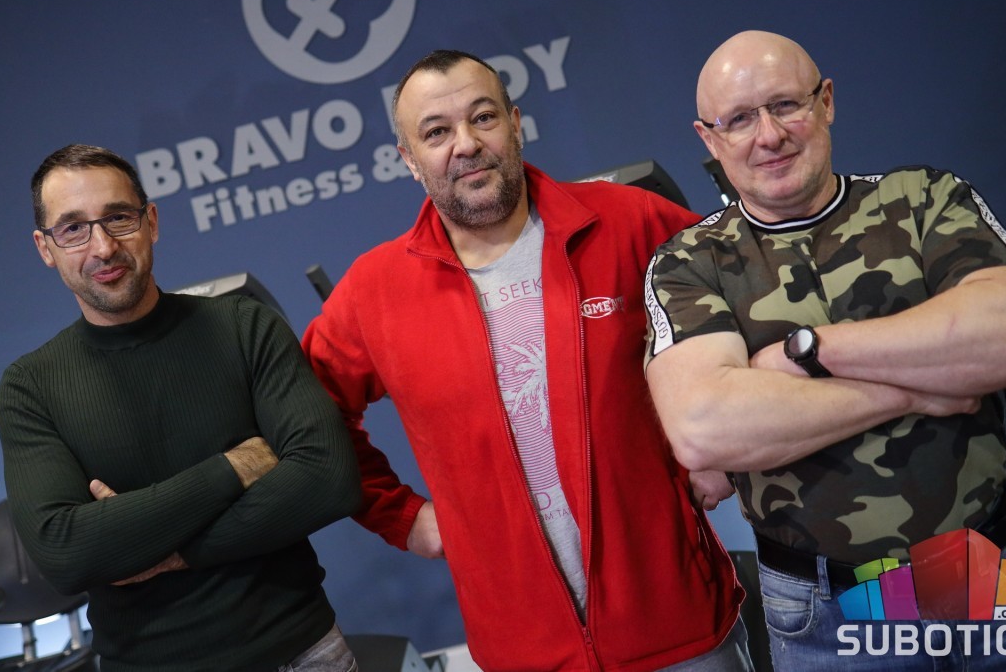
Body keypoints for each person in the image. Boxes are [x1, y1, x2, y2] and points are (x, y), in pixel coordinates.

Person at [302, 50, 750, 671]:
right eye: (436, 132)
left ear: (515, 125)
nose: (466, 144)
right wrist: (401, 516)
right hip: (523, 653)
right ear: (409, 159)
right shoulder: (374, 291)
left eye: (483, 117)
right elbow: (308, 420)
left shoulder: (630, 222)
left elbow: (753, 313)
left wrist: (729, 448)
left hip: (679, 629)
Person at [644, 30, 1006, 670]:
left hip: (987, 575)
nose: (769, 135)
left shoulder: (922, 199)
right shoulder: (688, 263)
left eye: (785, 105)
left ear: (825, 101)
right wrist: (919, 386)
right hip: (828, 612)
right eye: (739, 119)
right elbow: (706, 428)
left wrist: (803, 352)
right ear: (709, 139)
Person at [0, 144, 362, 672]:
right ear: (45, 248)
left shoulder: (244, 326)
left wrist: (164, 548)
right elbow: (68, 552)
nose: (102, 246)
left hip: (303, 652)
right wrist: (234, 467)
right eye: (73, 229)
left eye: (118, 218)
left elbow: (329, 479)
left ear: (151, 222)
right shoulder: (30, 387)